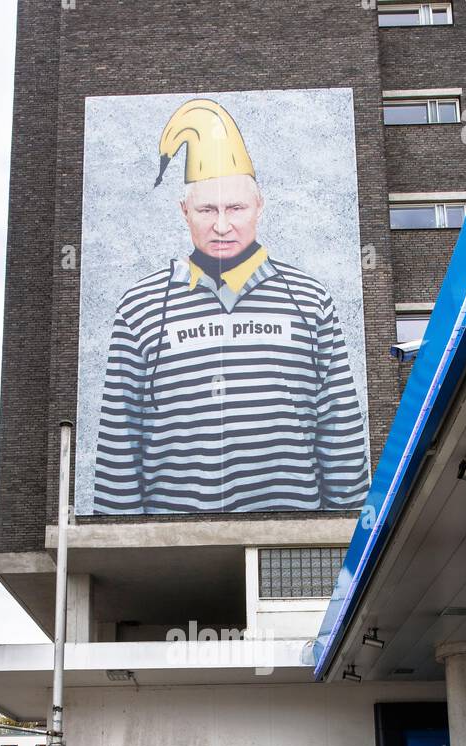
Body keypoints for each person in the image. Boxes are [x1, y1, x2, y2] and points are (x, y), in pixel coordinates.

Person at [93, 97, 369, 514]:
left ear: (260, 207)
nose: (222, 225)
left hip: (292, 551)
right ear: (184, 212)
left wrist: (349, 548)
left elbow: (341, 439)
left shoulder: (311, 300)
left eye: (235, 207)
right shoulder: (140, 306)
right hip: (173, 554)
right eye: (207, 209)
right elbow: (119, 443)